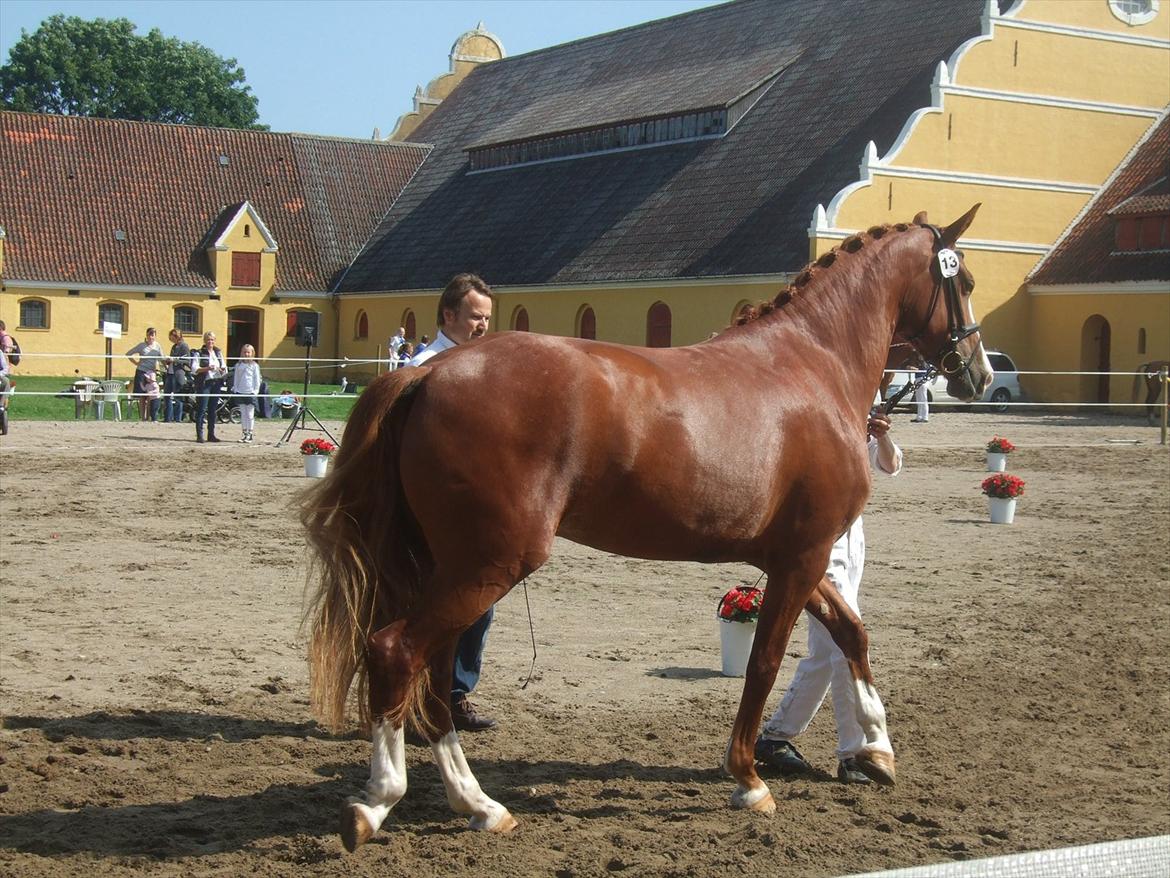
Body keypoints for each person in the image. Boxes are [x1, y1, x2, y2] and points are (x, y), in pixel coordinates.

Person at [755, 409, 902, 784]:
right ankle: (855, 752)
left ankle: (776, 736)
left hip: (854, 544)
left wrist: (881, 435)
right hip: (822, 547)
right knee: (844, 646)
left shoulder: (857, 414)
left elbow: (891, 464)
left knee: (824, 653)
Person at [409, 273, 497, 731]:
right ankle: (417, 691)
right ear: (449, 316)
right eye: (474, 318)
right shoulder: (423, 368)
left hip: (472, 509)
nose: (482, 326)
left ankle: (456, 692)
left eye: (486, 319)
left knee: (480, 605)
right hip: (429, 508)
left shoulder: (488, 369)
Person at [190, 331, 227, 443]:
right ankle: (199, 435)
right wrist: (207, 368)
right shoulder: (199, 353)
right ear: (205, 341)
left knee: (213, 409)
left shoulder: (218, 353)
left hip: (216, 383)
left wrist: (222, 370)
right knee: (202, 409)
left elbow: (224, 367)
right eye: (208, 339)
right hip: (205, 383)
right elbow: (194, 369)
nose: (210, 342)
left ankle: (211, 434)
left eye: (212, 340)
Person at [126, 328, 164, 421]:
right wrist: (136, 363)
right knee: (142, 395)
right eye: (149, 334)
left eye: (153, 335)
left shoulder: (157, 346)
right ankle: (143, 417)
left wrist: (164, 367)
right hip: (142, 372)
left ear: (155, 336)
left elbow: (161, 358)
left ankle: (150, 416)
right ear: (146, 335)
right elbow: (129, 354)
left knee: (151, 395)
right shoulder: (141, 346)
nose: (151, 337)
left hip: (152, 373)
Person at [232, 344, 262, 443]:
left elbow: (257, 379)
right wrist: (235, 388)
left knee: (250, 414)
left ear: (252, 353)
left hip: (250, 392)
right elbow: (236, 378)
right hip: (240, 391)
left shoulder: (254, 366)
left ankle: (250, 433)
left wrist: (255, 391)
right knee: (243, 414)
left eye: (248, 352)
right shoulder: (238, 365)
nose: (246, 354)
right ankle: (244, 433)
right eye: (245, 352)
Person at [163, 329, 192, 423]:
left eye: (172, 338)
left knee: (178, 396)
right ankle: (168, 417)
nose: (171, 340)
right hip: (170, 373)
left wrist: (174, 360)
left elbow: (187, 361)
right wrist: (167, 360)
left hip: (178, 373)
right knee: (167, 395)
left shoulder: (184, 346)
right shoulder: (174, 346)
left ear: (177, 336)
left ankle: (178, 418)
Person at [912, 358, 930, 423]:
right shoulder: (922, 362)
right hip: (918, 379)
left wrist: (914, 369)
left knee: (923, 398)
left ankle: (925, 417)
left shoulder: (924, 362)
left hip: (922, 379)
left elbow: (923, 369)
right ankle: (919, 416)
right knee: (919, 398)